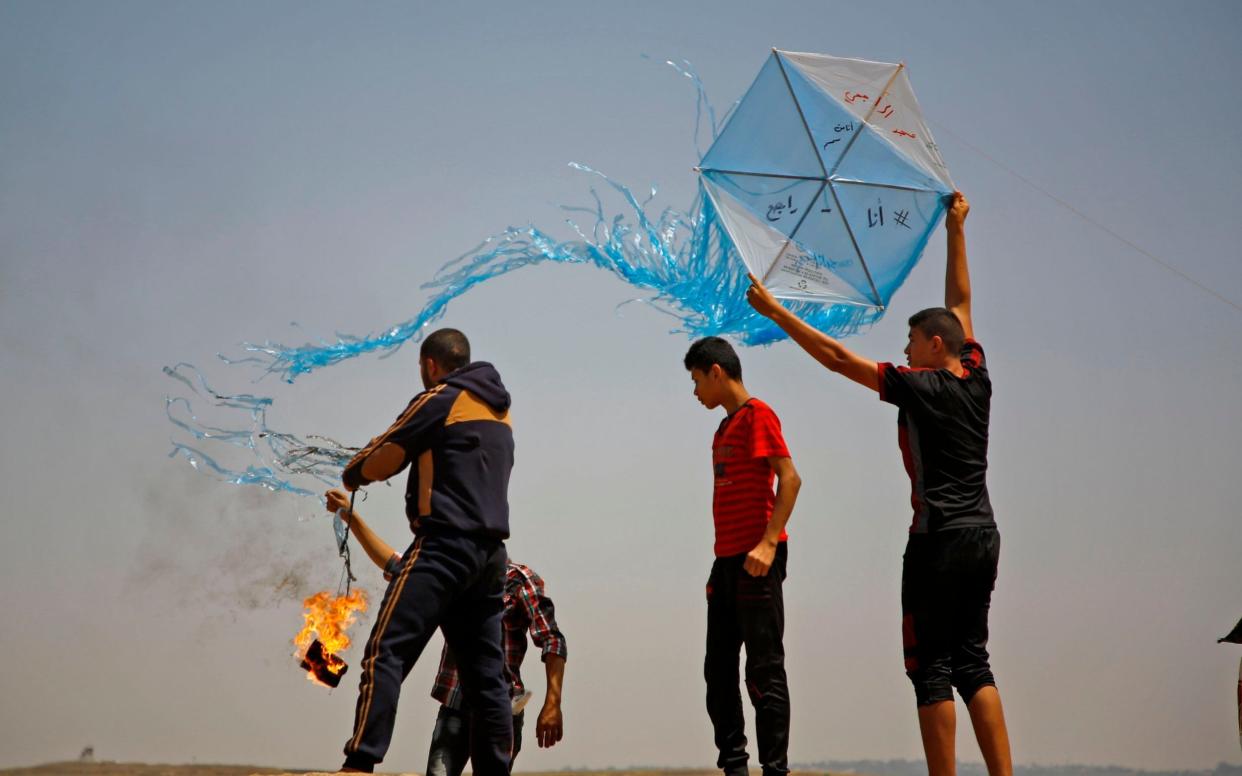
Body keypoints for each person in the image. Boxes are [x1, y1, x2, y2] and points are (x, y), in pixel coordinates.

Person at [745, 193, 1013, 776]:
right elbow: (961, 302)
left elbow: (839, 359)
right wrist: (957, 227)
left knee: (930, 666)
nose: (905, 350)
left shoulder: (922, 385)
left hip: (937, 541)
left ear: (932, 347)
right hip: (984, 535)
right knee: (975, 662)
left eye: (912, 341)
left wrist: (777, 313)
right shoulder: (976, 374)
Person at [334, 328, 515, 775]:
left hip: (443, 548)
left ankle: (360, 762)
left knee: (386, 650)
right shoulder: (499, 411)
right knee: (486, 678)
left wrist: (353, 475)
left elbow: (384, 454)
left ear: (430, 365)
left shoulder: (440, 398)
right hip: (491, 558)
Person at [324, 489, 567, 776]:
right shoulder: (445, 573)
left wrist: (553, 703)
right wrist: (351, 518)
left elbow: (552, 640)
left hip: (500, 709)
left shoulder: (519, 579)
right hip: (455, 705)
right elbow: (394, 563)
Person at [683, 336, 802, 776]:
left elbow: (790, 480)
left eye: (697, 381)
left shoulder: (758, 415)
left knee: (764, 671)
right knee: (718, 671)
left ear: (716, 372)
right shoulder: (723, 428)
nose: (695, 393)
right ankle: (734, 766)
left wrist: (768, 544)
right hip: (727, 561)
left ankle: (775, 769)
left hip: (759, 559)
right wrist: (721, 564)